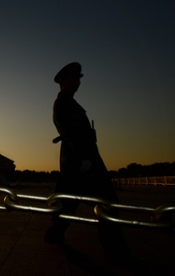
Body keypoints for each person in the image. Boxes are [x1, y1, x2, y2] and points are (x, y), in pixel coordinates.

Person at [45, 62, 130, 263]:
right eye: (74, 78)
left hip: (79, 161)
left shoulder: (71, 103)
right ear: (64, 81)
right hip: (80, 161)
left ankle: (55, 233)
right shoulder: (63, 102)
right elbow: (67, 130)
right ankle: (116, 253)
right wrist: (83, 158)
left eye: (78, 78)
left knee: (68, 204)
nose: (78, 82)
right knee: (106, 203)